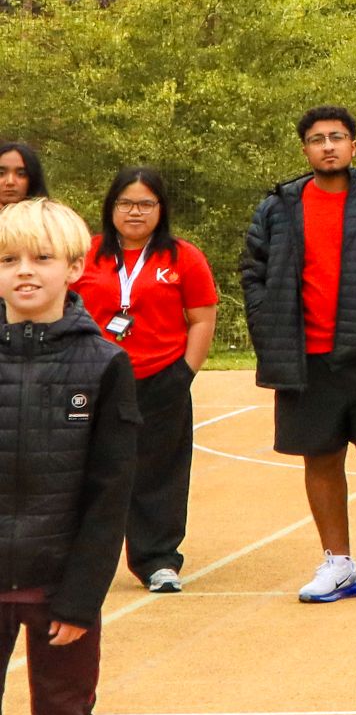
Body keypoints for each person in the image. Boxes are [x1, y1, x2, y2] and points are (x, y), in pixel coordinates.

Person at [0, 197, 139, 715]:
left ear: (76, 268)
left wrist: (83, 594)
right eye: (9, 259)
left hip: (59, 589)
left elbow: (110, 491)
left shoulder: (104, 363)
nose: (25, 272)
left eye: (41, 259)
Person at [239, 105, 356, 604]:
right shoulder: (279, 207)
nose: (328, 146)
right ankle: (337, 564)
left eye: (337, 137)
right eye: (317, 139)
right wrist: (267, 322)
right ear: (304, 149)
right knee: (321, 459)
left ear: (354, 146)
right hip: (305, 358)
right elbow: (253, 270)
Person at [76, 168, 218, 594]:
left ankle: (157, 560)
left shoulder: (182, 257)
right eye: (125, 203)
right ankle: (76, 562)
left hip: (160, 377)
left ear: (161, 209)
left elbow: (202, 317)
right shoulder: (86, 253)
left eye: (145, 204)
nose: (134, 212)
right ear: (110, 207)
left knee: (160, 471)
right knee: (85, 469)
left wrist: (185, 372)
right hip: (94, 378)